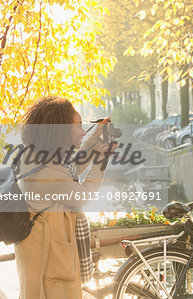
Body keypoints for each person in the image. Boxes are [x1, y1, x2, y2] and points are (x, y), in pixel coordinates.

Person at [14, 95, 118, 299]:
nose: (82, 131)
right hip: (48, 257)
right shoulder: (45, 171)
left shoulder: (41, 156)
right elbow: (83, 196)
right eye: (78, 126)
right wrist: (101, 161)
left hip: (48, 250)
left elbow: (71, 169)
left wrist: (95, 137)